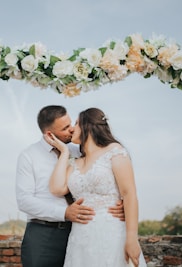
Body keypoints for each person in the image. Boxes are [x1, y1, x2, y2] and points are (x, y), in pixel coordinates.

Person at [15, 105, 125, 267]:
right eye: (66, 128)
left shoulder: (79, 150)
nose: (72, 129)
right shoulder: (29, 156)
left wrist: (119, 203)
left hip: (80, 232)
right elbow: (24, 201)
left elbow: (103, 175)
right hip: (43, 236)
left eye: (71, 123)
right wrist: (64, 212)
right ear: (49, 134)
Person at [45, 107, 147, 267]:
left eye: (77, 123)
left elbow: (129, 194)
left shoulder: (114, 151)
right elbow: (57, 189)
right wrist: (64, 151)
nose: (72, 128)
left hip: (111, 234)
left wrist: (132, 238)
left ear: (88, 125)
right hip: (80, 239)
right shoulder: (75, 162)